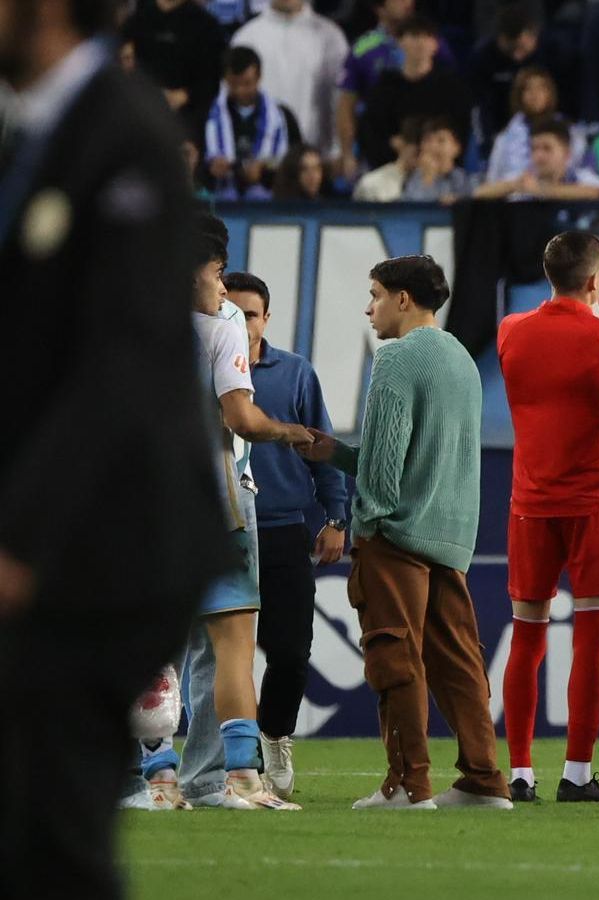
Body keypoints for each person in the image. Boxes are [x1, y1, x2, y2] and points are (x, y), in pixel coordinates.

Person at [0, 0, 233, 887]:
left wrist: (23, 542)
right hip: (60, 532)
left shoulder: (124, 131)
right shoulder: (32, 131)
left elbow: (119, 364)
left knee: (50, 837)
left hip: (108, 545)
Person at [299, 255, 512, 811]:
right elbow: (430, 455)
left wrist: (363, 521)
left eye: (374, 295)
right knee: (461, 663)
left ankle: (408, 785)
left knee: (394, 660)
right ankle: (485, 781)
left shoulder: (394, 358)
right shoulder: (462, 358)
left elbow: (388, 471)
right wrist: (339, 454)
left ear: (402, 299)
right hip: (451, 537)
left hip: (397, 538)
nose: (368, 308)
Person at [498, 232, 599, 804]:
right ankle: (577, 774)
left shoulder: (512, 330)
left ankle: (518, 773)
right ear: (595, 279)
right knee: (591, 639)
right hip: (592, 501)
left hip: (530, 503)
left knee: (526, 638)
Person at [185, 215, 313, 813]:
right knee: (232, 644)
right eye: (216, 272)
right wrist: (287, 430)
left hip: (133, 493)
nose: (220, 285)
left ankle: (156, 780)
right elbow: (240, 419)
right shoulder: (224, 320)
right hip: (214, 492)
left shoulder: (116, 308)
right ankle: (236, 779)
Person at [224, 271, 347, 799]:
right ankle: (235, 761)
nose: (241, 321)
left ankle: (275, 737)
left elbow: (322, 446)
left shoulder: (294, 373)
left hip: (280, 529)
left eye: (249, 313)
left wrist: (338, 517)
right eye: (231, 310)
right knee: (223, 655)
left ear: (266, 318)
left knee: (291, 650)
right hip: (221, 530)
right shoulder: (203, 369)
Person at [230, 0, 349, 157]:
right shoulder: (246, 38)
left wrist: (337, 151)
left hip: (317, 161)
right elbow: (232, 104)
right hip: (261, 161)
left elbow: (340, 100)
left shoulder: (331, 37)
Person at [357, 17, 472, 171]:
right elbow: (371, 133)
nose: (421, 43)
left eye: (427, 37)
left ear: (435, 44)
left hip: (442, 171)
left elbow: (461, 133)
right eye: (414, 36)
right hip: (392, 168)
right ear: (400, 42)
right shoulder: (384, 88)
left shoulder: (452, 89)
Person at [204, 46, 301, 202]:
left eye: (247, 83)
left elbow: (296, 161)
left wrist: (265, 170)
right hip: (220, 195)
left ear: (259, 78)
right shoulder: (209, 116)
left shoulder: (282, 117)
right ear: (225, 80)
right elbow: (197, 158)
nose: (241, 90)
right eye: (234, 84)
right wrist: (211, 167)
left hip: (270, 198)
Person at [122, 0, 224, 137]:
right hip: (138, 117)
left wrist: (185, 95)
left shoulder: (206, 26)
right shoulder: (136, 22)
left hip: (188, 121)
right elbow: (120, 65)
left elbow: (213, 79)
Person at [483, 66, 578, 188]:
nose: (535, 95)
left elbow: (579, 174)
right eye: (528, 89)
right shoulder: (505, 138)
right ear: (519, 95)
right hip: (514, 201)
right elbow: (492, 180)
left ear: (550, 93)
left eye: (541, 88)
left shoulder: (570, 131)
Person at [475, 121, 599, 201]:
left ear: (566, 154)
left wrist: (542, 191)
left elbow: (597, 192)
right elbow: (479, 193)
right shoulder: (524, 180)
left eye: (547, 148)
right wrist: (513, 186)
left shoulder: (583, 178)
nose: (539, 155)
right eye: (534, 149)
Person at [466, 6, 540, 141]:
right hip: (499, 131)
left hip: (542, 129)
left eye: (522, 48)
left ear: (533, 37)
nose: (517, 56)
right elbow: (480, 108)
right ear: (500, 39)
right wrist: (489, 143)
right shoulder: (483, 58)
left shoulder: (550, 54)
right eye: (511, 48)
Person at [400, 117, 473, 203]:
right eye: (428, 140)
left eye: (441, 140)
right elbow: (413, 210)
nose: (433, 147)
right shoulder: (412, 180)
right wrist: (429, 177)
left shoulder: (465, 179)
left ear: (456, 147)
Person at [353, 115, 423, 201]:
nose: (422, 158)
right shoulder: (371, 184)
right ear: (399, 143)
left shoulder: (439, 187)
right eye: (417, 152)